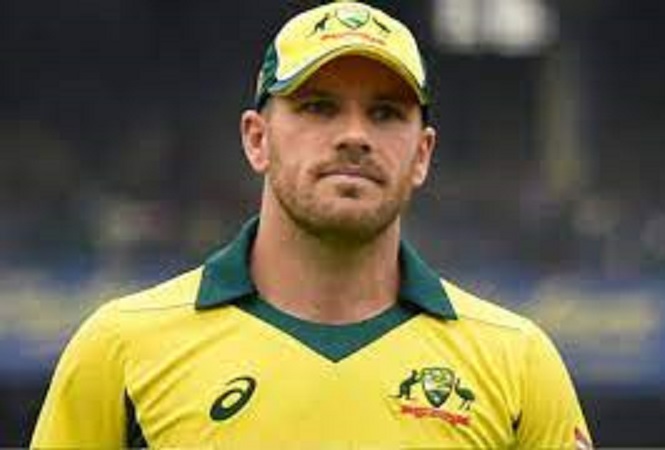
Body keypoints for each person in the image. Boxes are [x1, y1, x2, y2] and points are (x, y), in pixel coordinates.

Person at [32, 1, 593, 448]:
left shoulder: (518, 363)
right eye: (318, 107)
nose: (354, 135)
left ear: (422, 154)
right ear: (257, 139)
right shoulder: (120, 350)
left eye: (385, 112)